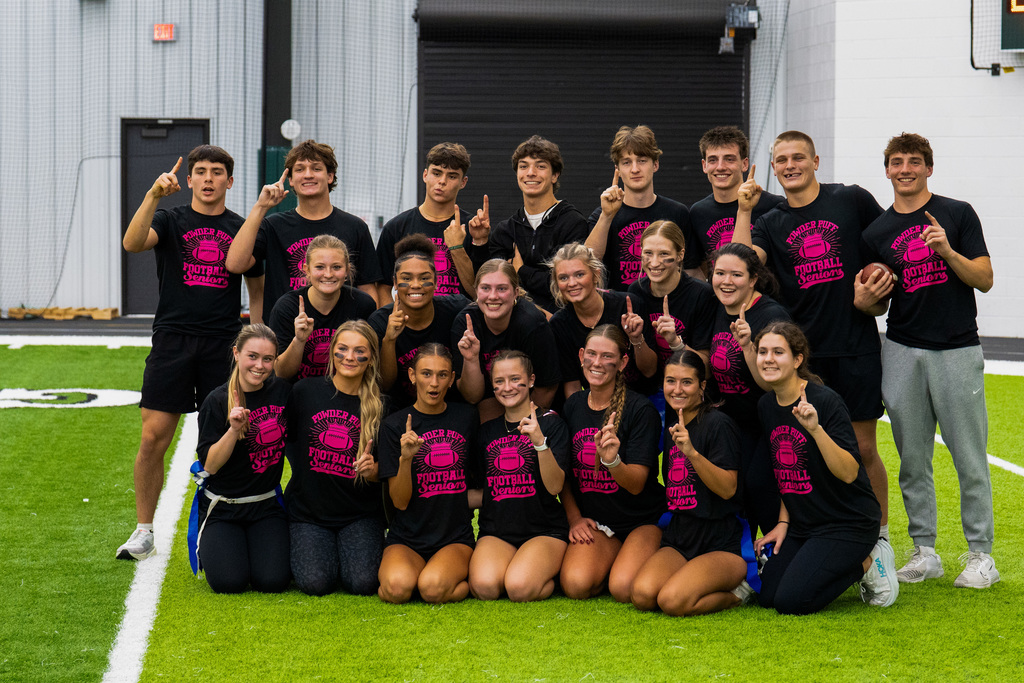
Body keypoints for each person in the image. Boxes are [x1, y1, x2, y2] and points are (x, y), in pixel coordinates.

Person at [731, 130, 890, 540]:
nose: (790, 166)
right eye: (781, 160)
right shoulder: (769, 221)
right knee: (804, 448)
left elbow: (886, 250)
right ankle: (812, 531)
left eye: (798, 157)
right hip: (801, 357)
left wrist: (877, 292)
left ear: (816, 161)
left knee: (863, 449)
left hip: (853, 347)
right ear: (773, 168)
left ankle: (880, 537)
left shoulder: (851, 199)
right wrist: (744, 211)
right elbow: (739, 265)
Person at [859, 133, 997, 588]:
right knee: (912, 459)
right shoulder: (877, 232)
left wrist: (946, 251)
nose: (905, 169)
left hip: (957, 348)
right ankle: (924, 551)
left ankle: (981, 556)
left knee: (969, 458)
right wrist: (869, 298)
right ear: (887, 170)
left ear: (928, 168)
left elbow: (985, 279)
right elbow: (878, 304)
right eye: (896, 162)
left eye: (914, 162)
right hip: (901, 348)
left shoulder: (956, 214)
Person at [117, 145, 264, 561]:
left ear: (229, 181)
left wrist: (256, 340)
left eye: (217, 172)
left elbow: (255, 288)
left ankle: (226, 516)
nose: (208, 178)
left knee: (227, 434)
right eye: (200, 171)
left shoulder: (242, 226)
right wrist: (153, 195)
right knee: (152, 438)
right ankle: (144, 529)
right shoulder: (170, 217)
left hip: (223, 344)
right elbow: (132, 243)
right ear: (191, 179)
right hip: (173, 340)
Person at [753, 322, 898, 614]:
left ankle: (867, 564)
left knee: (790, 602)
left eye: (778, 352)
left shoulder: (825, 402)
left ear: (797, 359)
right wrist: (783, 523)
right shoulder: (767, 405)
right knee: (767, 595)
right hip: (806, 524)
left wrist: (816, 429)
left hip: (848, 522)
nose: (768, 359)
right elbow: (785, 472)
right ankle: (826, 562)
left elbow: (848, 472)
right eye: (763, 351)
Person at [630, 350, 748, 616]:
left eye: (687, 382)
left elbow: (729, 489)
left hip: (720, 541)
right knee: (642, 595)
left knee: (672, 601)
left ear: (702, 386)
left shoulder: (718, 424)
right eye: (671, 381)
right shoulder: (674, 424)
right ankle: (690, 579)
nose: (677, 389)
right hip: (680, 536)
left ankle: (737, 594)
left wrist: (692, 453)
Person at [559, 325, 665, 602]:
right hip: (598, 522)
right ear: (581, 355)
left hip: (641, 520)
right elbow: (564, 477)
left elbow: (636, 484)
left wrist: (612, 461)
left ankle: (632, 555)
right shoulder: (572, 406)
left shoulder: (641, 410)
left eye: (607, 356)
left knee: (622, 588)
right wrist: (574, 519)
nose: (597, 362)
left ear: (622, 363)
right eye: (591, 354)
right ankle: (613, 555)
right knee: (576, 584)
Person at [284, 320, 387, 595]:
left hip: (360, 513)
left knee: (362, 583)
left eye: (359, 351)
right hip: (308, 513)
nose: (350, 357)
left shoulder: (382, 406)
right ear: (331, 352)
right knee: (316, 583)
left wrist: (372, 470)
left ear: (372, 358)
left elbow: (386, 470)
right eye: (342, 349)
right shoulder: (305, 392)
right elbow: (284, 441)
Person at [225, 139, 383, 312]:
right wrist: (260, 207)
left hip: (340, 334)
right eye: (300, 169)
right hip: (285, 332)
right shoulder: (273, 225)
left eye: (316, 168)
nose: (308, 175)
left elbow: (368, 291)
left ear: (330, 176)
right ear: (291, 180)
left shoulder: (355, 227)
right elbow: (235, 265)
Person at [191, 324, 290, 593]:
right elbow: (210, 466)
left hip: (265, 505)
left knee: (273, 581)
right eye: (252, 356)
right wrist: (234, 430)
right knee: (229, 583)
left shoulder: (282, 392)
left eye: (267, 359)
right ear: (236, 353)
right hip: (224, 508)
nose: (259, 365)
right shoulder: (216, 400)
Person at [377, 345, 479, 604]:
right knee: (396, 590)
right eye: (426, 374)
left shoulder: (466, 418)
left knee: (431, 589)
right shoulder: (394, 426)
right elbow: (399, 502)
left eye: (442, 375)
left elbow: (480, 482)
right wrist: (406, 458)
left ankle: (464, 582)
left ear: (453, 379)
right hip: (407, 537)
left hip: (454, 538)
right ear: (412, 375)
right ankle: (423, 573)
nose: (434, 383)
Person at [469, 351, 570, 601]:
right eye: (499, 381)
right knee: (485, 587)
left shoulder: (552, 425)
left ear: (532, 379)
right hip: (497, 531)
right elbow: (482, 490)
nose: (507, 387)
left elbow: (556, 486)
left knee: (519, 588)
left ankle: (544, 572)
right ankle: (517, 563)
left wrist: (539, 443)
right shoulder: (487, 432)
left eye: (515, 379)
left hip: (544, 530)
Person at [708, 242, 790, 538]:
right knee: (735, 491)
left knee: (759, 487)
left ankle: (777, 557)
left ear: (753, 279)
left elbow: (773, 383)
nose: (726, 281)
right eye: (719, 273)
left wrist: (747, 347)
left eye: (736, 275)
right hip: (735, 422)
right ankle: (745, 563)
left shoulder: (770, 316)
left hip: (771, 421)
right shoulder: (719, 307)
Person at [584, 125, 700, 287]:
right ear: (617, 169)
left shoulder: (677, 213)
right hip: (621, 307)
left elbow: (691, 270)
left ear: (655, 165)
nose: (635, 169)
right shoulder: (602, 215)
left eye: (642, 161)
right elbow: (588, 264)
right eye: (626, 162)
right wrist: (606, 216)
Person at [375, 142, 490, 302]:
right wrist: (390, 321)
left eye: (451, 176)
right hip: (411, 322)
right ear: (425, 175)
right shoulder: (396, 227)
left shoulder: (474, 228)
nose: (442, 181)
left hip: (459, 322)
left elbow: (479, 292)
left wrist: (458, 247)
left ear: (463, 182)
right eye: (436, 173)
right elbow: (383, 287)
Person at [368, 235, 469, 411]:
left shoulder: (457, 309)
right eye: (406, 278)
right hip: (398, 410)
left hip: (450, 407)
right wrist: (389, 340)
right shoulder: (380, 322)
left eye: (424, 278)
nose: (416, 285)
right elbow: (384, 385)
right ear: (395, 283)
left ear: (436, 282)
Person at [451, 259, 560, 422]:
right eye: (485, 288)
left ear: (515, 292)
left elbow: (547, 387)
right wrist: (471, 359)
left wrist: (522, 425)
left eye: (501, 289)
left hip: (528, 398)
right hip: (489, 398)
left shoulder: (532, 324)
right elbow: (472, 397)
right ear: (476, 291)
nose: (493, 296)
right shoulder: (466, 324)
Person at [489, 135, 588, 312]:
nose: (530, 173)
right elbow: (494, 286)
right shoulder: (505, 231)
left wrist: (521, 271)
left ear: (555, 175)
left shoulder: (573, 223)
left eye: (540, 166)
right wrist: (479, 242)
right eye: (523, 166)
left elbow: (566, 285)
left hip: (561, 325)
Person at [547, 242, 657, 397]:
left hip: (640, 400)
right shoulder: (559, 324)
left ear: (596, 275)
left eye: (579, 274)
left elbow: (650, 371)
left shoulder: (628, 305)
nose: (572, 283)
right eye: (564, 277)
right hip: (596, 406)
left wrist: (637, 338)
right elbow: (572, 385)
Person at [268, 234, 376, 381]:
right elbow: (281, 373)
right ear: (307, 269)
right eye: (320, 267)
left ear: (347, 270)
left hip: (346, 394)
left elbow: (371, 366)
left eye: (336, 267)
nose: (328, 274)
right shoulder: (287, 308)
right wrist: (299, 340)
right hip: (297, 395)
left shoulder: (363, 305)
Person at [689, 126, 783, 269]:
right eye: (713, 160)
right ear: (704, 165)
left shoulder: (774, 206)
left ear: (744, 164)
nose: (720, 167)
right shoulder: (697, 213)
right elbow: (701, 267)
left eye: (729, 159)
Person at [626, 221, 716, 370]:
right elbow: (647, 372)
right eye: (648, 253)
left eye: (664, 254)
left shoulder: (701, 294)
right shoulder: (636, 290)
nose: (654, 263)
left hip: (687, 385)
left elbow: (705, 370)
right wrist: (636, 339)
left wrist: (675, 342)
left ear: (680, 255)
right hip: (649, 387)